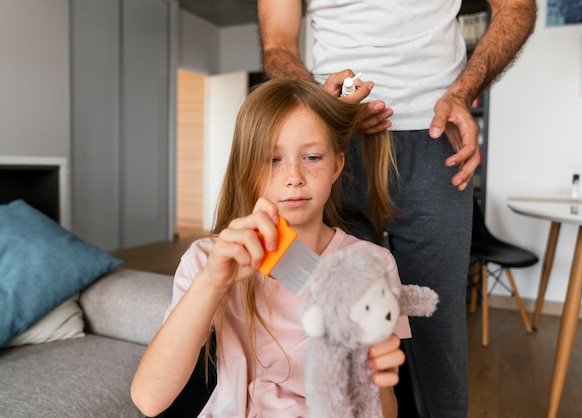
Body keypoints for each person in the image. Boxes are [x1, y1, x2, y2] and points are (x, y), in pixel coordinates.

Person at [257, 1, 537, 416]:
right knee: (332, 318)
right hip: (337, 136)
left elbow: (517, 7)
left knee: (437, 330)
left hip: (437, 134)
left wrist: (463, 90)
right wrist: (322, 104)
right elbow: (278, 43)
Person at [131, 79, 413, 418]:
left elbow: (386, 409)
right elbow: (149, 400)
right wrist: (212, 282)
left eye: (311, 157)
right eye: (272, 159)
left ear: (337, 165)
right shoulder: (207, 259)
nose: (293, 176)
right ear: (246, 169)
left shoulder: (373, 265)